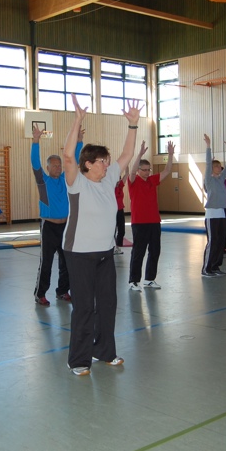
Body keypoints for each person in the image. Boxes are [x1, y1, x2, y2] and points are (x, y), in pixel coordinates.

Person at [62, 93, 140, 376]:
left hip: (105, 254)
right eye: (102, 161)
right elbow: (67, 156)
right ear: (88, 164)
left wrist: (133, 125)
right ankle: (78, 360)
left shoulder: (108, 180)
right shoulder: (77, 182)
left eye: (107, 161)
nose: (107, 165)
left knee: (107, 305)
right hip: (79, 254)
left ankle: (103, 351)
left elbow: (127, 155)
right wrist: (77, 120)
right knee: (84, 308)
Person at [30, 123, 83, 306]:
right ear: (48, 167)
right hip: (49, 227)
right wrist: (35, 141)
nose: (58, 168)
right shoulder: (43, 181)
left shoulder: (65, 179)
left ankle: (62, 291)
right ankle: (40, 294)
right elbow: (35, 163)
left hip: (65, 226)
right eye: (54, 166)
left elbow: (74, 160)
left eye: (59, 165)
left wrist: (79, 141)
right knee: (46, 262)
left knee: (66, 261)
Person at [127, 140, 174, 291]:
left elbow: (167, 171)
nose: (147, 172)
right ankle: (134, 281)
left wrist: (170, 155)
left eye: (149, 170)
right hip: (139, 223)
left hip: (154, 222)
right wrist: (139, 154)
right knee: (138, 252)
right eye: (145, 170)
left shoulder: (152, 181)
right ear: (139, 170)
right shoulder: (133, 181)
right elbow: (132, 172)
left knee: (155, 251)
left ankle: (149, 279)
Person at [201, 134, 226, 277]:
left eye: (220, 166)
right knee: (212, 241)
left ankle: (215, 266)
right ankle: (206, 269)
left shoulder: (221, 179)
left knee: (220, 241)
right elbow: (208, 164)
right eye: (216, 166)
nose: (219, 168)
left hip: (222, 212)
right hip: (212, 214)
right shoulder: (209, 180)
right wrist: (208, 146)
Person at [114, 168, 129, 255]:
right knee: (112, 230)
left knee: (121, 230)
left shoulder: (120, 186)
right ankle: (111, 247)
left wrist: (126, 166)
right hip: (112, 211)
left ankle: (118, 246)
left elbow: (126, 174)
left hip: (120, 210)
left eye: (119, 180)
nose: (118, 181)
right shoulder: (110, 188)